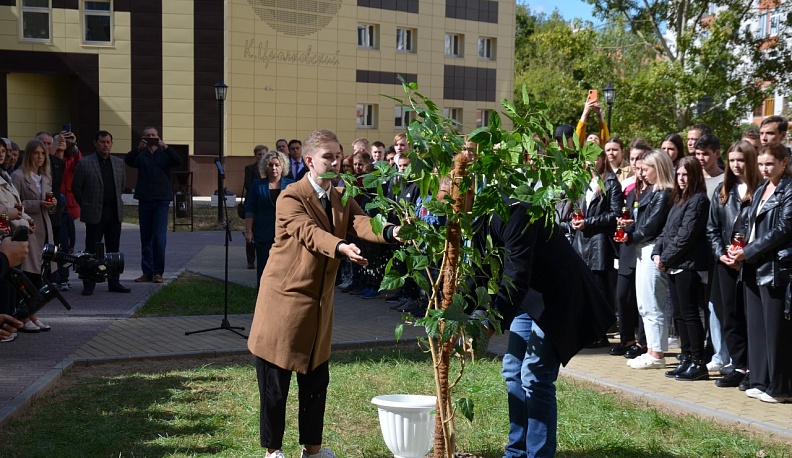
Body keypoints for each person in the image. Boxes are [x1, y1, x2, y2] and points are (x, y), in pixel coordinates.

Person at [247, 130, 401, 458]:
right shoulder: (291, 196)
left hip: (319, 308)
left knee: (316, 384)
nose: (334, 163)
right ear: (309, 161)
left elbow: (361, 222)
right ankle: (273, 453)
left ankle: (313, 451)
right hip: (284, 305)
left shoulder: (341, 194)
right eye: (327, 157)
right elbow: (309, 232)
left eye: (338, 157)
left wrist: (391, 231)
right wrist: (341, 246)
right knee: (275, 386)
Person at [472, 197, 615, 457]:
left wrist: (486, 328)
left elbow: (516, 275)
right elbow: (478, 275)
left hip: (559, 297)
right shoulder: (477, 220)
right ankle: (516, 451)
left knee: (535, 376)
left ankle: (539, 453)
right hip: (530, 299)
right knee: (513, 370)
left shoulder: (516, 213)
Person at [728, 141, 792, 404]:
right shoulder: (763, 187)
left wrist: (749, 250)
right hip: (753, 264)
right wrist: (737, 248)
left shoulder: (788, 189)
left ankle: (781, 388)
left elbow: (784, 228)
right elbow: (750, 222)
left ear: (784, 163)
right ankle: (761, 380)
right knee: (757, 327)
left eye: (770, 164)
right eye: (761, 164)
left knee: (776, 329)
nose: (764, 169)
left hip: (776, 266)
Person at [706, 140, 759, 390]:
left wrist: (745, 254)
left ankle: (754, 368)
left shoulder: (760, 190)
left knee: (751, 317)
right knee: (730, 316)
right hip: (726, 263)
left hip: (751, 262)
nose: (737, 165)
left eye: (741, 160)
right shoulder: (722, 190)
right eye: (733, 160)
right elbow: (712, 229)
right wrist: (720, 254)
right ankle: (739, 365)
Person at [653, 156, 711, 380]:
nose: (681, 178)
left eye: (686, 174)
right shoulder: (679, 199)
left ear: (695, 175)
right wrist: (657, 252)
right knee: (678, 314)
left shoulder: (698, 200)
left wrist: (665, 258)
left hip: (688, 265)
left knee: (689, 314)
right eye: (678, 174)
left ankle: (698, 361)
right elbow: (667, 231)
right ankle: (686, 357)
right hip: (674, 264)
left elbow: (686, 236)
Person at [622, 149, 674, 369]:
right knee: (644, 304)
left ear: (658, 168)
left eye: (646, 169)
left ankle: (656, 353)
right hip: (642, 248)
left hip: (652, 247)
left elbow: (651, 225)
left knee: (653, 303)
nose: (642, 173)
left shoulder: (664, 192)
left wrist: (631, 234)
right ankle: (653, 350)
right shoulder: (650, 191)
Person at [565, 147, 622, 347]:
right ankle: (589, 332)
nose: (591, 163)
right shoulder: (583, 182)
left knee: (599, 289)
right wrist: (576, 221)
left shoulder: (611, 183)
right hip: (582, 241)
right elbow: (578, 209)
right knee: (585, 289)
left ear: (602, 160)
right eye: (587, 160)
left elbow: (615, 214)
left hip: (599, 243)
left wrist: (589, 222)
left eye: (595, 159)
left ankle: (601, 333)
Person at [72, 130, 131, 295]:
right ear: (95, 143)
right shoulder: (85, 163)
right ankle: (89, 283)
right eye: (102, 142)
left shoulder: (119, 163)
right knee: (91, 250)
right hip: (94, 213)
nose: (105, 145)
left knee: (114, 250)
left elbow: (121, 185)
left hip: (114, 213)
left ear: (112, 144)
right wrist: (86, 204)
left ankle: (114, 282)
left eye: (108, 142)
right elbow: (77, 188)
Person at [124, 126, 182, 284]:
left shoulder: (164, 154)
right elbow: (128, 161)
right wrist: (138, 149)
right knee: (146, 237)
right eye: (147, 135)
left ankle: (158, 272)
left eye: (153, 135)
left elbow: (178, 161)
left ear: (158, 137)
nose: (151, 137)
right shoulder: (141, 154)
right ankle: (147, 272)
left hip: (161, 200)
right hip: (144, 199)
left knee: (158, 237)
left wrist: (166, 147)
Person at [693, 133, 730, 372]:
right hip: (693, 252)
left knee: (716, 304)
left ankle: (720, 352)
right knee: (697, 305)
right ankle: (702, 349)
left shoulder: (725, 180)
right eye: (697, 154)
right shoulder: (694, 179)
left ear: (717, 153)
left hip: (716, 251)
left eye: (706, 153)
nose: (702, 158)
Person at [610, 141, 651, 358]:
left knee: (643, 300)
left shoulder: (655, 188)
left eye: (640, 158)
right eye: (633, 158)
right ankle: (626, 339)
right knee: (622, 295)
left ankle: (644, 343)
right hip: (627, 247)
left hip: (643, 249)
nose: (635, 163)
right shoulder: (629, 187)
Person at [11, 139, 56, 333]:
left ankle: (33, 313)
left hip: (44, 228)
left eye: (43, 153)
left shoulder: (45, 177)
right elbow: (15, 204)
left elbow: (49, 206)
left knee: (39, 272)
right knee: (28, 273)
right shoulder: (18, 176)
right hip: (28, 228)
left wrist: (51, 204)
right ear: (28, 154)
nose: (39, 157)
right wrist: (37, 204)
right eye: (36, 153)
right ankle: (25, 314)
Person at [244, 151, 294, 286]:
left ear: (282, 167)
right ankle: (262, 301)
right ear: (265, 167)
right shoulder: (257, 184)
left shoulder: (291, 185)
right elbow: (250, 209)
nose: (274, 168)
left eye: (277, 165)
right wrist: (249, 230)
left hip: (285, 234)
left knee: (283, 270)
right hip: (263, 233)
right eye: (270, 165)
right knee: (264, 269)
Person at [243, 145, 268, 269]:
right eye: (259, 154)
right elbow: (248, 184)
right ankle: (251, 260)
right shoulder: (250, 168)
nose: (261, 156)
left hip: (265, 205)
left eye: (263, 154)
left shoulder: (270, 168)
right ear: (255, 155)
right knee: (250, 231)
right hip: (254, 203)